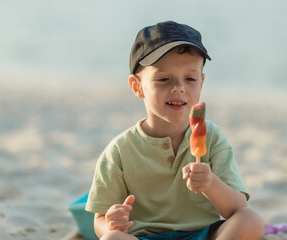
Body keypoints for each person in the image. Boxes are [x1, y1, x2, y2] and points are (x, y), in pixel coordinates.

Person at [85, 20, 265, 240]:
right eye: (163, 79)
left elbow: (236, 207)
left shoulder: (212, 138)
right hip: (144, 237)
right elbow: (99, 220)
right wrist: (112, 222)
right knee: (111, 239)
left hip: (203, 234)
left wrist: (211, 184)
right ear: (137, 87)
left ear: (202, 82)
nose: (179, 87)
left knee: (250, 219)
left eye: (190, 79)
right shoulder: (120, 150)